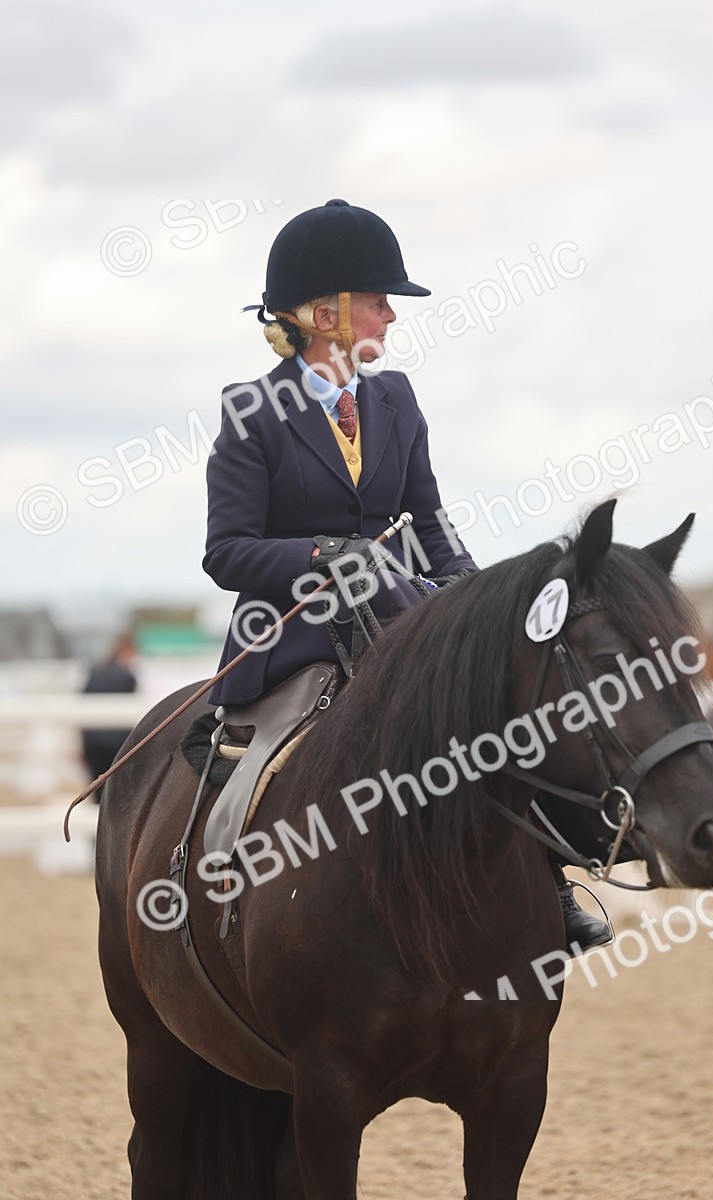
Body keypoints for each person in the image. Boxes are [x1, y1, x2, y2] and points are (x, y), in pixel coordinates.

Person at [203, 198, 610, 952]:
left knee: (509, 706)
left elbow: (429, 525)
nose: (392, 315)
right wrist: (323, 555)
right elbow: (226, 552)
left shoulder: (395, 399)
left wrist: (476, 592)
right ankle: (224, 873)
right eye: (379, 301)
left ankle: (551, 878)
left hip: (397, 615)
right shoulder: (251, 412)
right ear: (327, 314)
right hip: (298, 633)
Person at [80, 633, 138, 799]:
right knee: (119, 794)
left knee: (97, 793)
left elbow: (81, 708)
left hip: (92, 742)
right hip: (118, 744)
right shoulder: (127, 677)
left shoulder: (94, 673)